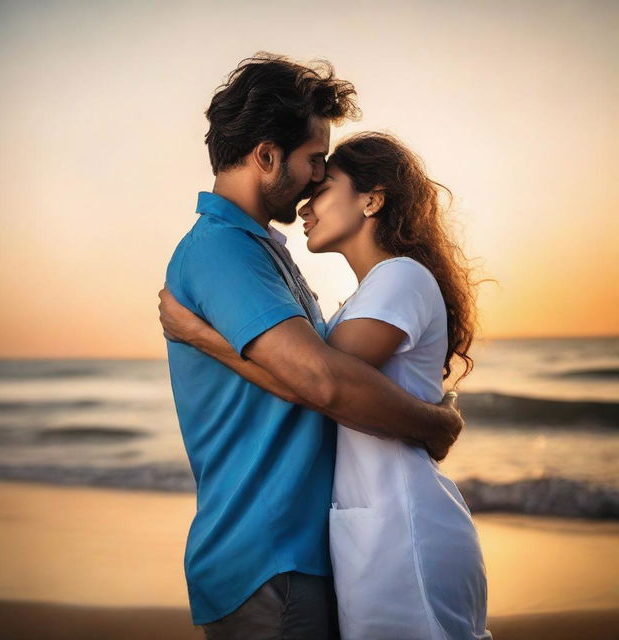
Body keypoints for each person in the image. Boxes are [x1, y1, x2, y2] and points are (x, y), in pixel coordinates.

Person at [161, 53, 463, 640]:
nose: (312, 183)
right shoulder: (225, 250)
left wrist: (204, 337)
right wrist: (434, 424)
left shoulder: (263, 250)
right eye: (313, 160)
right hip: (268, 552)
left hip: (296, 550)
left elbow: (319, 377)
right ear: (267, 156)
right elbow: (322, 383)